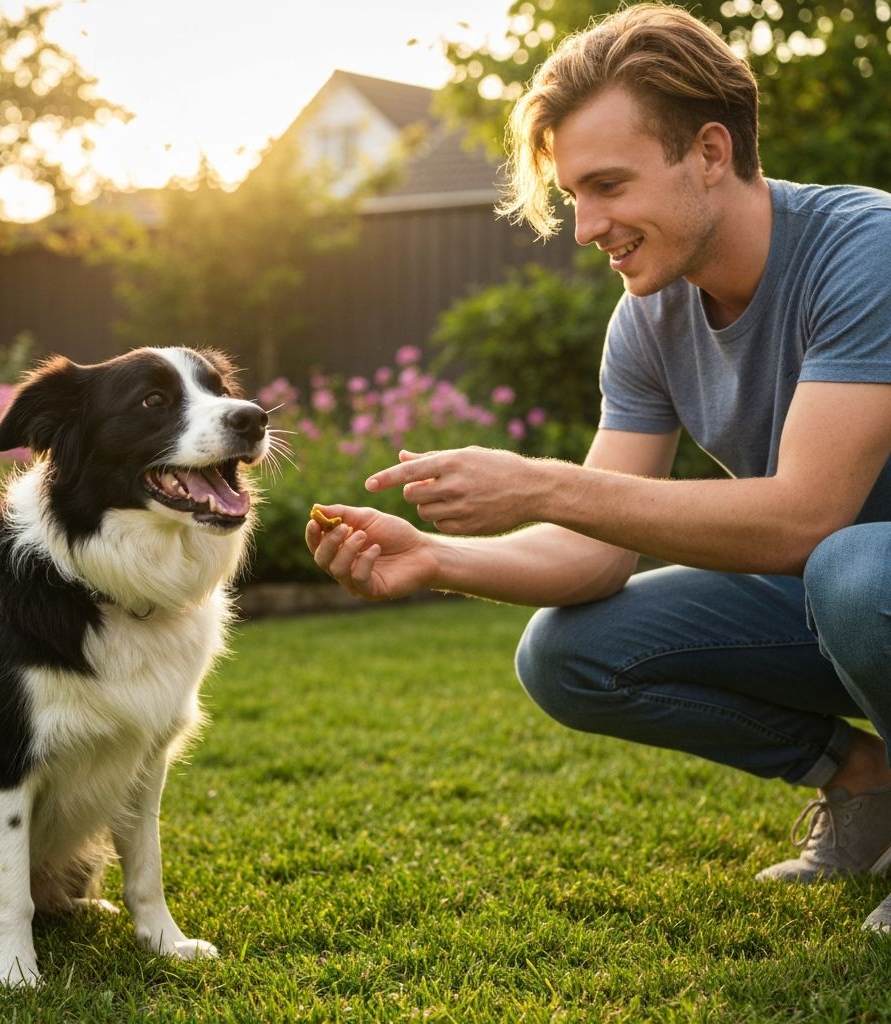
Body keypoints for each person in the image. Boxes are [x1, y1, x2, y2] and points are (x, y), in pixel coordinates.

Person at [305, 2, 891, 930]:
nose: (586, 228)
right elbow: (595, 555)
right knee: (568, 652)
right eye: (576, 195)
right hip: (850, 599)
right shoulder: (650, 318)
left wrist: (537, 481)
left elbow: (804, 520)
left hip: (863, 580)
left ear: (709, 151)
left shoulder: (866, 251)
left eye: (608, 186)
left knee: (853, 570)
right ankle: (867, 780)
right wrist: (434, 556)